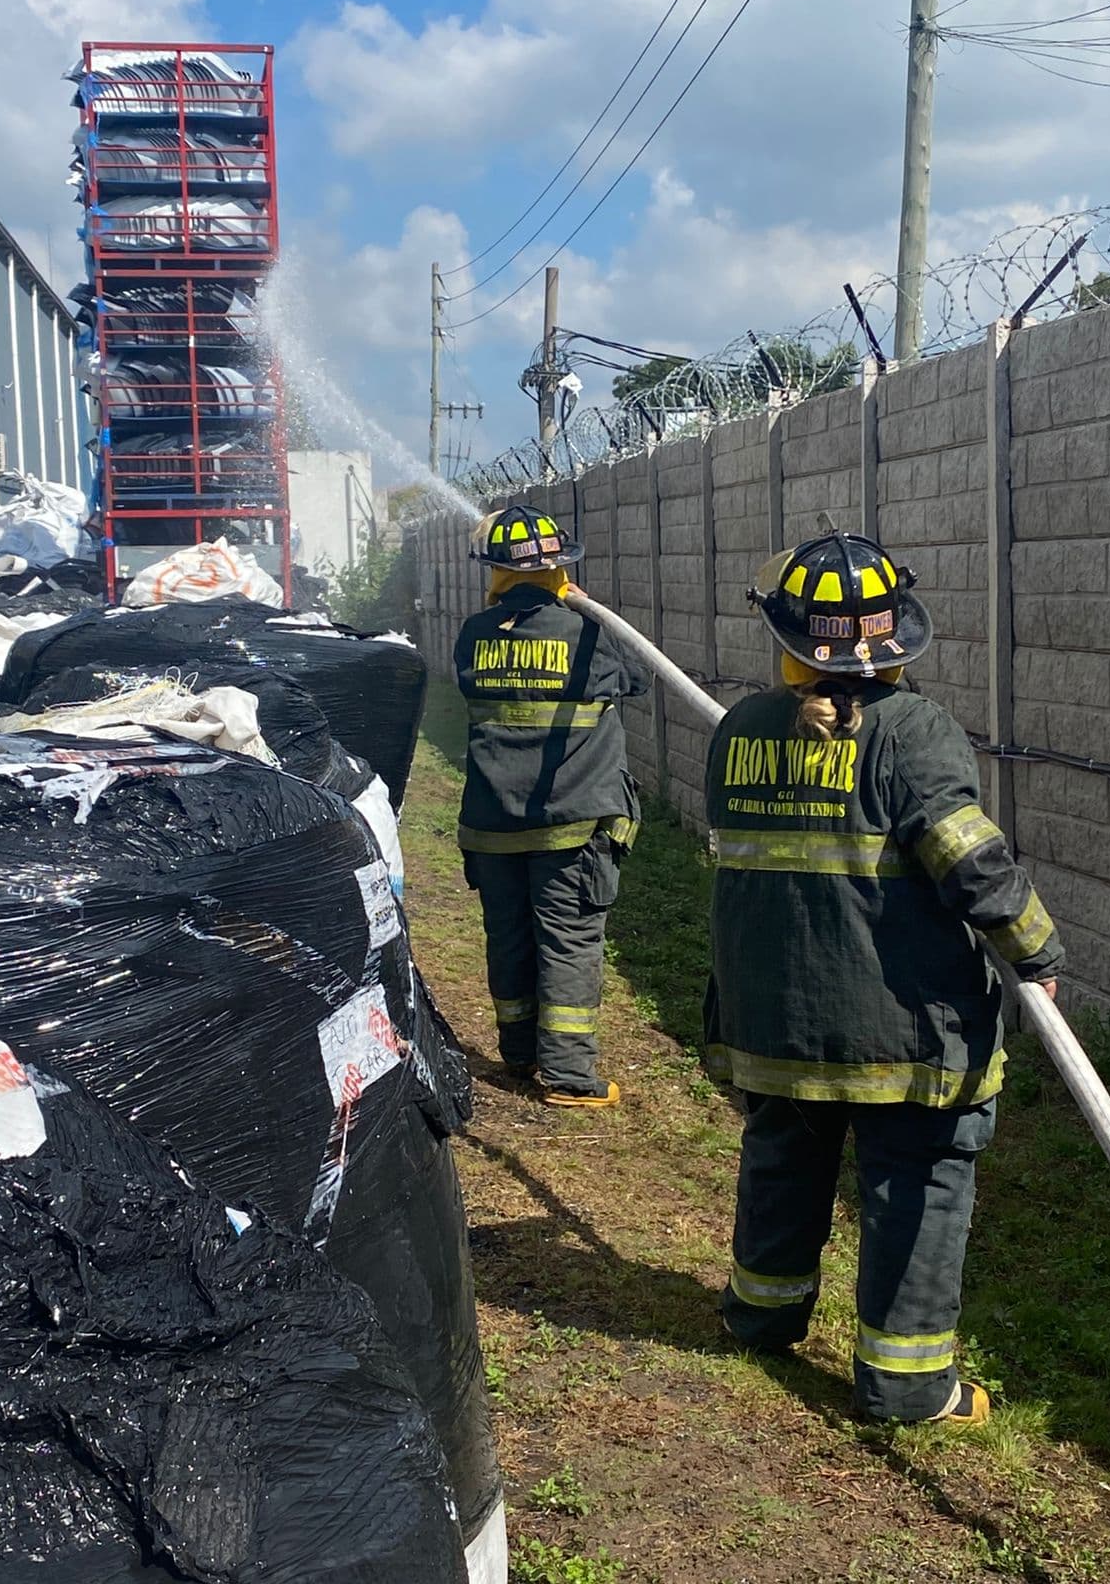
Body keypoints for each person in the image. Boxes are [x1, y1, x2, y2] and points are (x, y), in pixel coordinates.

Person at [704, 529, 1062, 1426]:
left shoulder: (738, 731)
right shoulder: (913, 731)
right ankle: (906, 1383)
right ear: (896, 636)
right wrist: (1038, 953)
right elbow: (971, 865)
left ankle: (762, 1313)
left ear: (785, 640)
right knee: (919, 1182)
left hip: (772, 1020)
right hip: (902, 1032)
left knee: (784, 1157)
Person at [454, 505, 652, 1108]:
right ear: (560, 566)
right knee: (567, 940)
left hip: (491, 822)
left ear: (493, 571)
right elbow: (638, 676)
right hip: (570, 823)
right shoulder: (584, 631)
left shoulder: (474, 633)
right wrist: (584, 609)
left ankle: (519, 1054)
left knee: (508, 936)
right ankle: (568, 1075)